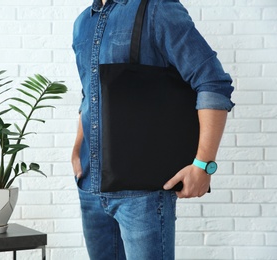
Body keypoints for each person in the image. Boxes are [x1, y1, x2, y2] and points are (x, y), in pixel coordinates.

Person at [71, 0, 235, 259]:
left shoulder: (157, 9)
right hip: (91, 189)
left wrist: (204, 164)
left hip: (142, 195)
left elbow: (212, 82)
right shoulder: (83, 22)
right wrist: (77, 147)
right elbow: (89, 92)